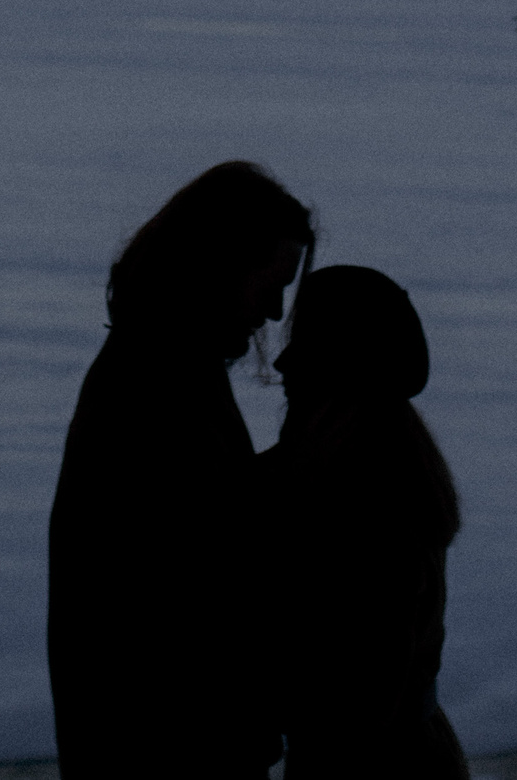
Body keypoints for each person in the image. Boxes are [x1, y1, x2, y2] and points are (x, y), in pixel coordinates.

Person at [46, 160, 314, 779]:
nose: (277, 312)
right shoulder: (153, 383)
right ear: (219, 264)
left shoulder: (168, 366)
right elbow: (192, 567)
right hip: (164, 746)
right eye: (271, 283)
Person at [264, 265, 469, 780]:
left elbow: (362, 698)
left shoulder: (366, 493)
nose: (283, 364)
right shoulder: (378, 463)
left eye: (306, 347)